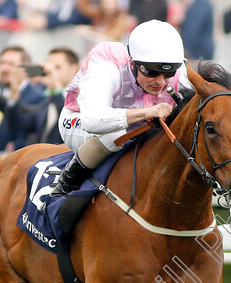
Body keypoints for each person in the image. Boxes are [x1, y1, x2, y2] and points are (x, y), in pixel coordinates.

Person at [48, 19, 191, 199]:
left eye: (168, 74)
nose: (160, 82)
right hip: (79, 120)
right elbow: (93, 120)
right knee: (116, 134)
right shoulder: (107, 62)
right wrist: (147, 112)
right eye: (152, 73)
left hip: (138, 127)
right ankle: (64, 187)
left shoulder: (179, 69)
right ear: (133, 64)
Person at [7, 47, 80, 147]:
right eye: (49, 67)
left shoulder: (80, 97)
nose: (51, 72)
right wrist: (14, 93)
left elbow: (68, 120)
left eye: (57, 67)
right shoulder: (47, 98)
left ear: (74, 69)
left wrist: (56, 86)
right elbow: (21, 125)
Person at [0, 45, 46, 152]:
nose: (4, 68)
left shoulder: (37, 97)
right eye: (2, 63)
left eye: (11, 64)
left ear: (26, 68)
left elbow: (24, 133)